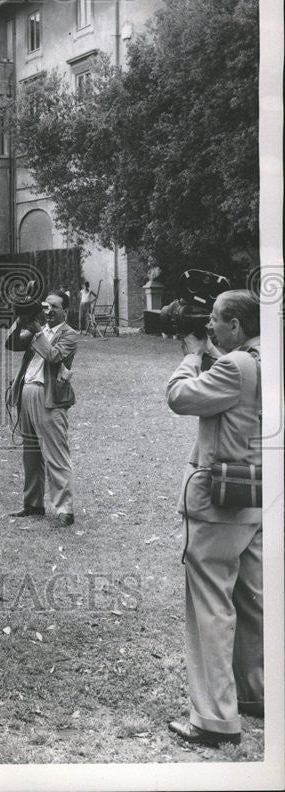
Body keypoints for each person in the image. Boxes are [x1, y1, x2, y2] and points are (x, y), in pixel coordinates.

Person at [165, 290, 262, 748]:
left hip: (221, 501)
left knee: (211, 607)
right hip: (259, 496)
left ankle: (214, 718)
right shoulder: (266, 360)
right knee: (252, 603)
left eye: (215, 325)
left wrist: (190, 357)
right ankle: (254, 692)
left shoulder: (235, 366)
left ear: (237, 327)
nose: (211, 332)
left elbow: (180, 398)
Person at [5, 290, 79, 526]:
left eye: (54, 307)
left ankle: (64, 510)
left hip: (49, 397)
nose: (48, 311)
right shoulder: (39, 329)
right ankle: (33, 504)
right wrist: (21, 317)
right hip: (27, 393)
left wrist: (36, 330)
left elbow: (54, 356)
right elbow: (11, 343)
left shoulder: (70, 335)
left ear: (65, 311)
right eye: (45, 307)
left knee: (56, 455)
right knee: (31, 455)